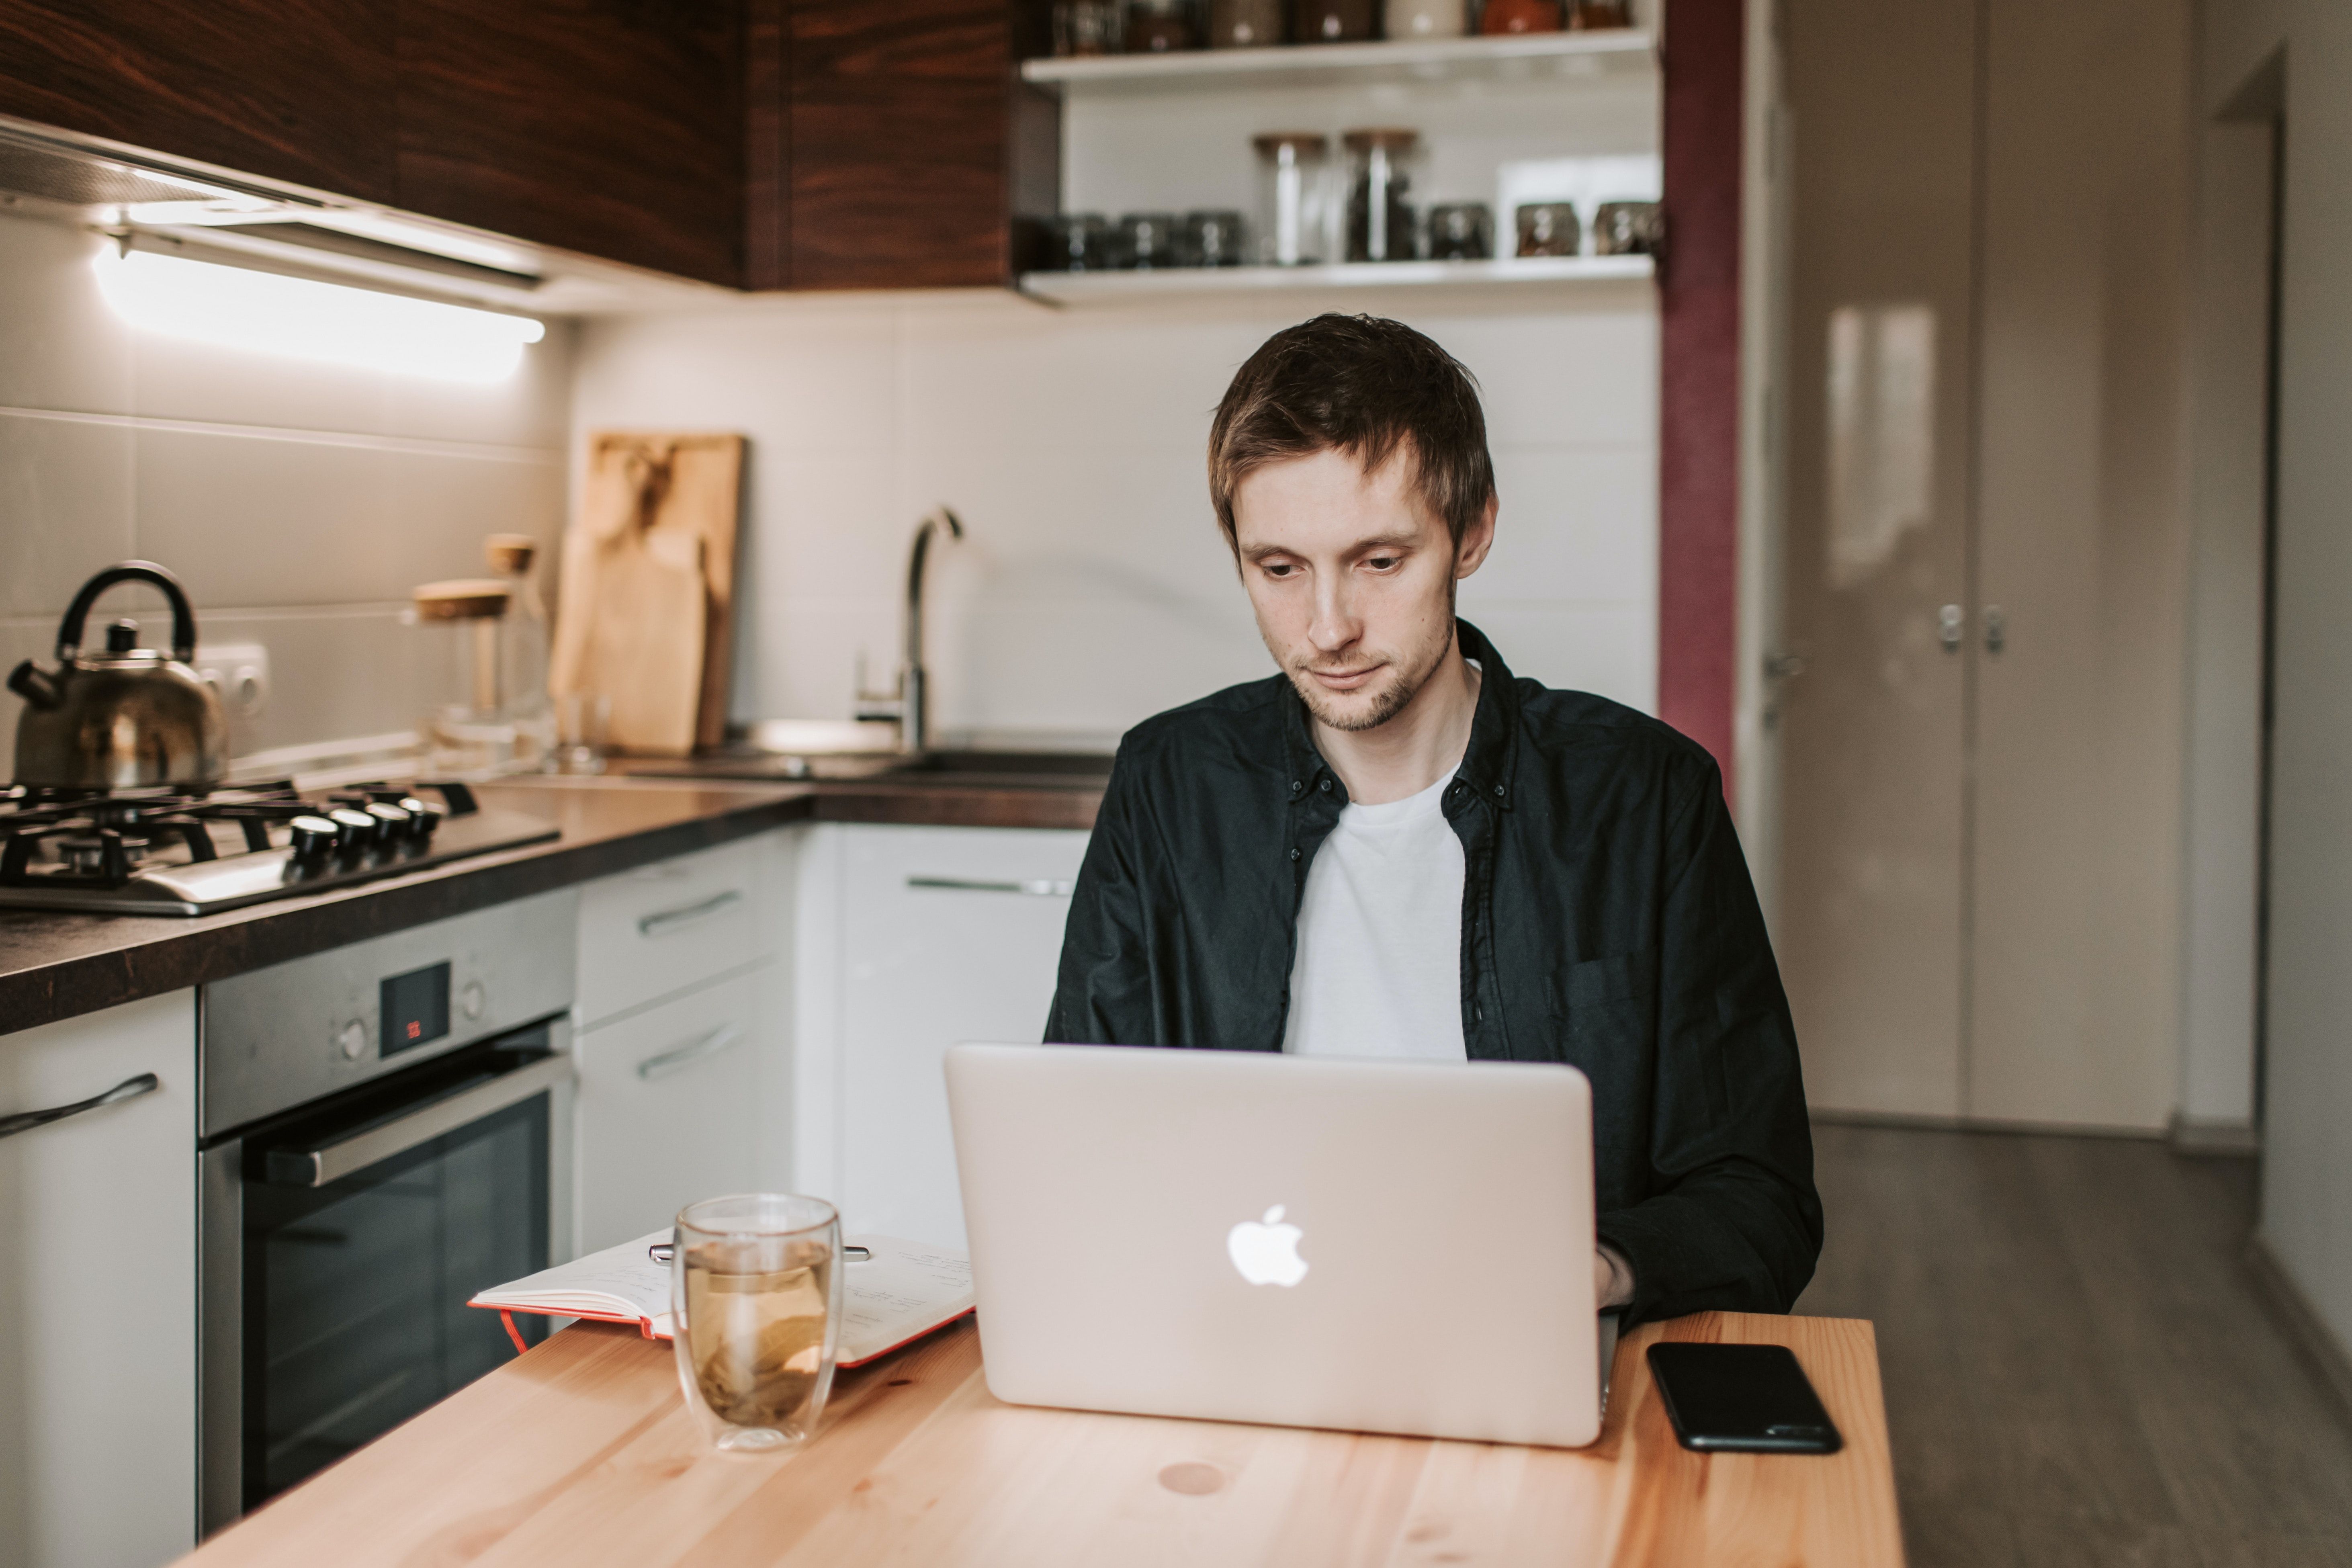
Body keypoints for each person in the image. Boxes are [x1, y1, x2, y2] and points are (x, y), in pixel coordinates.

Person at [1044, 313, 1821, 1325]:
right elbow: (1074, 1145)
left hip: (1525, 1355)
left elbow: (1759, 1204)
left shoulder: (1643, 798)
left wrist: (1587, 1273)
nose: (1328, 629)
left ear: (1473, 529)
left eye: (1377, 561)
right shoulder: (1168, 782)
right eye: (1278, 569)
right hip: (1230, 1343)